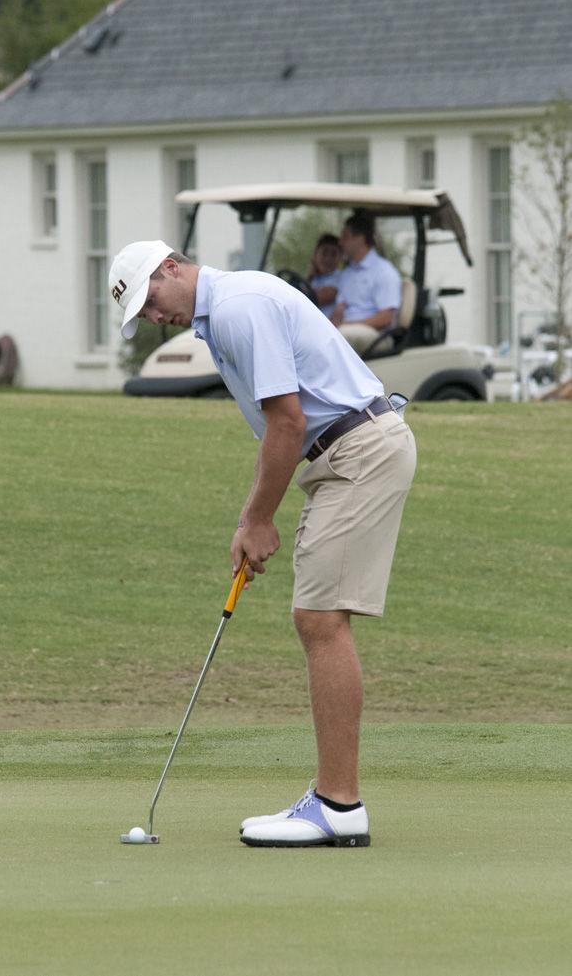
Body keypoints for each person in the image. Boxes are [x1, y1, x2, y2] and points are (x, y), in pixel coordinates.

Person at [109, 240, 416, 848]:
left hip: (357, 451)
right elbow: (290, 427)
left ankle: (338, 805)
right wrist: (258, 515)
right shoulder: (223, 315)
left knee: (320, 620)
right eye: (141, 313)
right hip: (343, 456)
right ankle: (335, 801)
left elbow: (288, 420)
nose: (153, 316)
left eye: (150, 299)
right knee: (318, 619)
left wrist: (256, 520)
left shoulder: (238, 305)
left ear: (172, 266)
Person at [332, 210, 402, 351]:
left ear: (361, 238)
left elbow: (386, 318)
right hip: (350, 331)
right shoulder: (347, 273)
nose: (340, 242)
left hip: (377, 334)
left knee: (338, 337)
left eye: (345, 237)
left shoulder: (384, 271)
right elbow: (340, 310)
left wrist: (348, 325)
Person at [306, 233, 343, 319]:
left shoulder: (340, 278)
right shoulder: (314, 277)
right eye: (324, 252)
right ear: (315, 254)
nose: (328, 259)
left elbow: (312, 299)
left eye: (334, 254)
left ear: (340, 258)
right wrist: (310, 276)